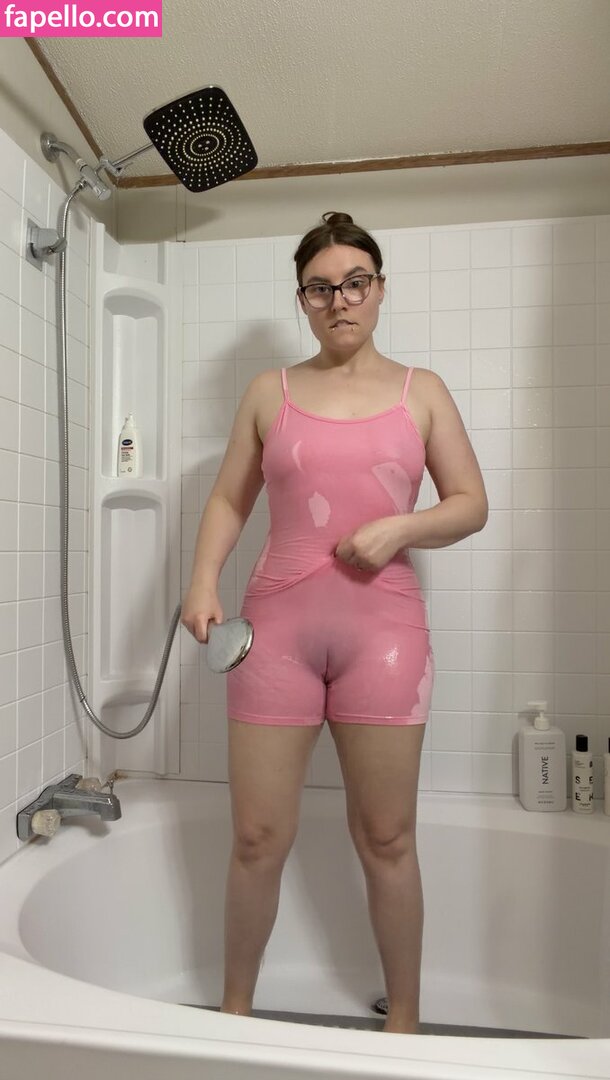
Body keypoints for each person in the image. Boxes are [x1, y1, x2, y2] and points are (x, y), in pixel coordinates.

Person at [181, 211, 488, 1034]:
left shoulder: (423, 392)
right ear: (302, 301)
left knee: (387, 837)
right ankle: (234, 1017)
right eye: (320, 289)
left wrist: (399, 529)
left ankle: (405, 1023)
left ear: (380, 290)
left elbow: (470, 504)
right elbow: (229, 498)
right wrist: (202, 580)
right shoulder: (268, 393)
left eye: (355, 283)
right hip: (274, 634)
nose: (339, 301)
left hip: (384, 638)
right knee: (256, 837)